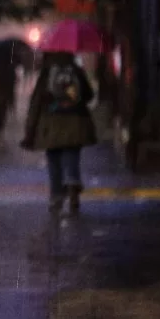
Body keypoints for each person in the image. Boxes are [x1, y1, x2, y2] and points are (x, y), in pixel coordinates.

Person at [20, 52, 97, 214]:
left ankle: (56, 195)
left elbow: (36, 103)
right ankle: (72, 181)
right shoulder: (75, 70)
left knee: (54, 158)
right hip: (75, 121)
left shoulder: (47, 73)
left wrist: (30, 130)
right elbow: (89, 95)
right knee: (72, 152)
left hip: (51, 124)